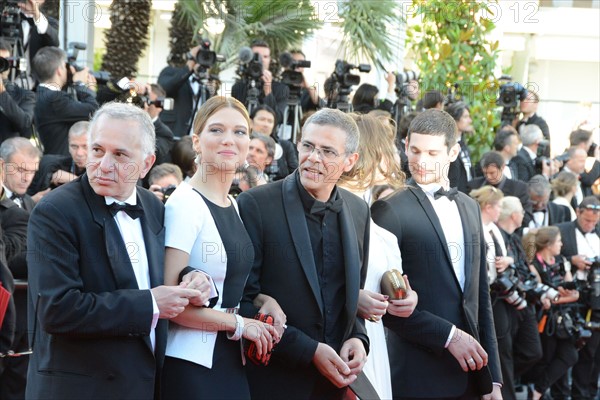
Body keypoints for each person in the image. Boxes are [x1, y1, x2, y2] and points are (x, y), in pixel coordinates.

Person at [25, 102, 209, 399]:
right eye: (97, 150)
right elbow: (57, 310)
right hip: (80, 390)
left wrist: (192, 277)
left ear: (147, 163)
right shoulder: (54, 212)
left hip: (142, 384)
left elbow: (153, 271)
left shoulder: (154, 206)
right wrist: (150, 303)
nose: (104, 164)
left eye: (120, 154)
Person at [237, 108, 370, 400]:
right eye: (308, 146)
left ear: (350, 161)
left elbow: (347, 297)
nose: (314, 158)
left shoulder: (359, 211)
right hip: (275, 383)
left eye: (327, 151)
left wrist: (358, 338)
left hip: (335, 384)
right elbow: (241, 300)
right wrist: (309, 350)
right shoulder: (255, 205)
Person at [371, 109, 502, 399]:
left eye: (432, 152)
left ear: (453, 151)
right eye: (415, 150)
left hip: (471, 375)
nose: (420, 161)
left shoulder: (469, 207)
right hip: (417, 375)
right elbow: (385, 307)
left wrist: (493, 378)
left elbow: (480, 297)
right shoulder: (388, 209)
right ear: (404, 145)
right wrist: (448, 336)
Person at [160, 96, 279, 399]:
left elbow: (229, 284)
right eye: (217, 130)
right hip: (190, 363)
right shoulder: (184, 203)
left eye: (239, 132)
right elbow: (172, 305)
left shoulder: (234, 204)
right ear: (197, 141)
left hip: (228, 357)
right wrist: (241, 324)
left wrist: (265, 300)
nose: (229, 139)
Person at [339, 113, 418, 399]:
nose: (395, 153)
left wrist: (410, 299)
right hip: (340, 345)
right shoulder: (330, 209)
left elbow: (397, 289)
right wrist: (352, 298)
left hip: (374, 346)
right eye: (387, 145)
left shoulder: (382, 231)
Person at [494, 197, 543, 400]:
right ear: (514, 215)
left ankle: (504, 380)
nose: (524, 215)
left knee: (533, 352)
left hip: (524, 302)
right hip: (505, 303)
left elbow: (524, 268)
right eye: (522, 212)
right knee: (506, 355)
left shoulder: (514, 238)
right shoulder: (496, 237)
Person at [523, 226, 580, 400]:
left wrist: (558, 297)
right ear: (548, 244)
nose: (562, 244)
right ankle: (538, 393)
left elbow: (574, 293)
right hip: (545, 322)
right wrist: (560, 296)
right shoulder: (534, 265)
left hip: (563, 319)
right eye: (558, 241)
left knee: (570, 355)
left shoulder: (562, 260)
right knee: (545, 360)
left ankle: (537, 391)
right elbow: (542, 297)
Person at [555, 196, 600, 400]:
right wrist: (570, 260)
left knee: (594, 351)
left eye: (594, 221)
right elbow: (539, 252)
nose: (590, 225)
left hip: (596, 296)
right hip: (571, 296)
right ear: (578, 212)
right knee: (570, 351)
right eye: (586, 220)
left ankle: (587, 393)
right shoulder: (562, 229)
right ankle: (564, 393)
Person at [32, 46, 99, 156]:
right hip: (62, 164)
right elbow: (93, 110)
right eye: (64, 66)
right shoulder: (55, 99)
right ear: (59, 70)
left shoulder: (42, 94)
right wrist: (80, 85)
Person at [157, 45, 211, 138]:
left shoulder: (205, 83)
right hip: (172, 136)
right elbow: (164, 89)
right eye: (200, 57)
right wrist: (189, 66)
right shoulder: (170, 72)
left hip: (195, 139)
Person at [231, 39, 289, 123]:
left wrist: (268, 91)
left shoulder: (281, 89)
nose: (261, 60)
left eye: (265, 57)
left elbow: (278, 119)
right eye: (256, 56)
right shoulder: (238, 87)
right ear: (248, 59)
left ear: (270, 60)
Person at [27, 121, 88, 196]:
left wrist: (74, 180)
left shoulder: (103, 170)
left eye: (85, 147)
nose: (79, 153)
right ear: (68, 146)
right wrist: (50, 175)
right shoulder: (55, 164)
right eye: (74, 146)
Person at [467, 151, 532, 218]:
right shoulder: (473, 186)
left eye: (492, 173)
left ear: (502, 167)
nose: (488, 177)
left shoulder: (519, 188)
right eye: (485, 173)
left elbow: (526, 215)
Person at [249, 104, 298, 180]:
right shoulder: (242, 144)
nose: (266, 125)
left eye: (270, 121)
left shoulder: (285, 146)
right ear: (251, 122)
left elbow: (296, 175)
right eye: (262, 119)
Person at [0, 38, 35, 142]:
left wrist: (2, 93)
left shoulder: (25, 95)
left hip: (8, 155)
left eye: (4, 61)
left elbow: (25, 126)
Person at [0, 137, 42, 211]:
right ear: (2, 165)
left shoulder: (30, 203)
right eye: (21, 170)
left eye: (32, 172)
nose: (27, 178)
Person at [446, 101, 474, 193]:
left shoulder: (463, 144)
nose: (470, 120)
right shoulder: (445, 145)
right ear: (455, 119)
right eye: (465, 117)